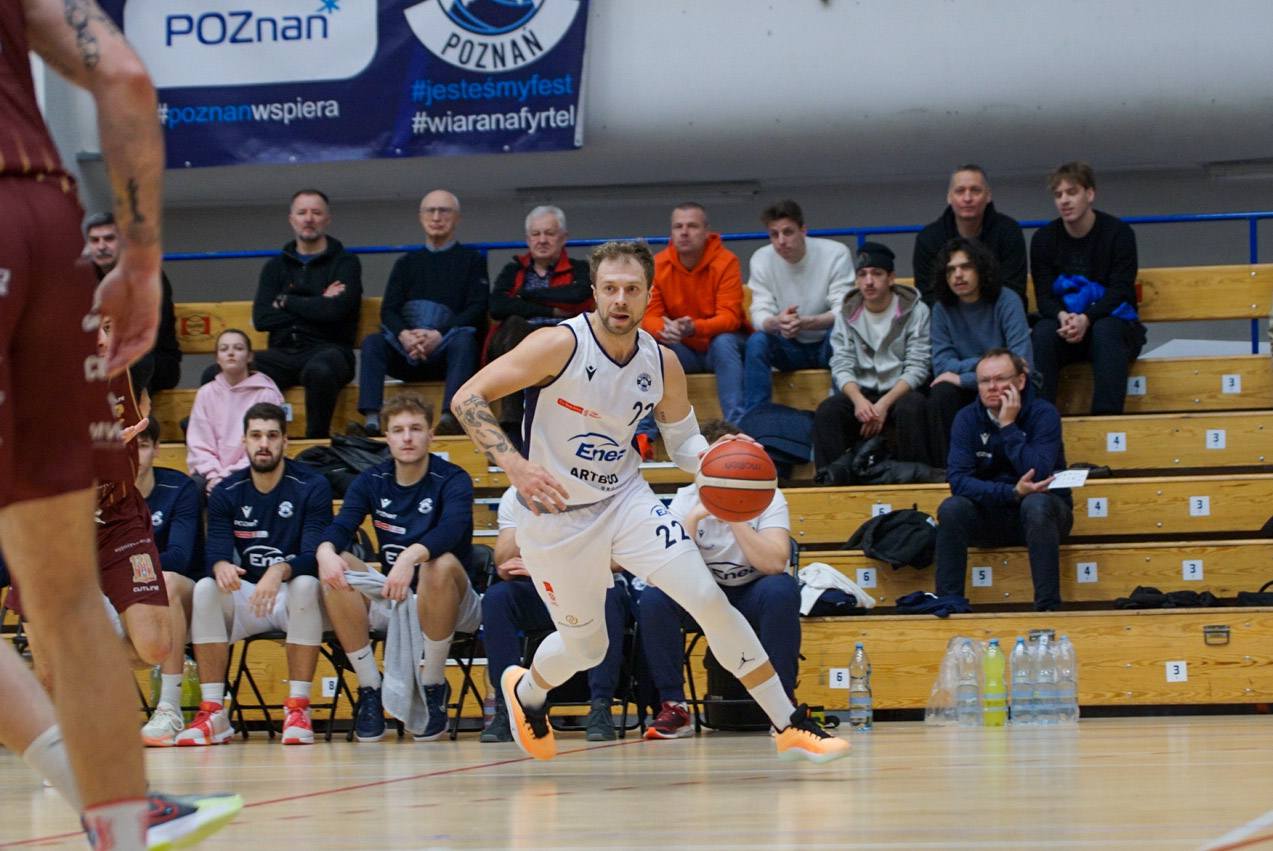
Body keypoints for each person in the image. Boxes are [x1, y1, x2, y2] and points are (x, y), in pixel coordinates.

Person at [451, 240, 848, 763]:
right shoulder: (557, 345)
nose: (620, 299)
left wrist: (719, 460)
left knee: (707, 599)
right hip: (555, 516)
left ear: (648, 295)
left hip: (625, 501)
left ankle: (788, 723)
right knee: (586, 647)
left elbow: (683, 445)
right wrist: (516, 466)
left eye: (632, 289)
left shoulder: (662, 362)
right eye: (610, 288)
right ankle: (526, 693)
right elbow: (467, 398)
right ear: (594, 292)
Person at [0, 0, 240, 845]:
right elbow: (128, 79)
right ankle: (123, 817)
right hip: (43, 224)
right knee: (66, 597)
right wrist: (140, 257)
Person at [317, 394, 481, 742]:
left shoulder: (453, 478)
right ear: (387, 438)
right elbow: (342, 525)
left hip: (454, 601)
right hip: (397, 595)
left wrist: (409, 558)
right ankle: (370, 689)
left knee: (438, 563)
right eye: (398, 430)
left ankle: (433, 684)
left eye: (416, 429)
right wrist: (325, 551)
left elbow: (452, 529)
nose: (407, 438)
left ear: (430, 435)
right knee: (336, 565)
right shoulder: (371, 480)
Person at [175, 403, 333, 746]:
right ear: (244, 442)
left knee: (306, 584)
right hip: (250, 598)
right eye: (256, 436)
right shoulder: (227, 491)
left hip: (295, 599)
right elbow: (215, 552)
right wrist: (221, 566)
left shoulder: (312, 485)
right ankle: (214, 712)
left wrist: (278, 570)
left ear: (285, 442)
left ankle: (298, 709)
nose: (264, 444)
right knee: (206, 588)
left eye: (272, 436)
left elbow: (313, 556)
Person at [639, 420, 800, 740]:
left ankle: (783, 708)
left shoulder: (769, 496)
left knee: (781, 589)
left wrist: (734, 513)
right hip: (704, 596)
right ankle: (674, 706)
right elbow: (664, 569)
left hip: (752, 593)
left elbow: (774, 563)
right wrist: (695, 517)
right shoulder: (685, 499)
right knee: (654, 599)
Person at [481, 486, 633, 743]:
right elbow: (504, 565)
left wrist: (546, 566)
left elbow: (619, 560)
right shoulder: (516, 495)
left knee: (609, 596)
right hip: (542, 590)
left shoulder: (594, 488)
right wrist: (529, 511)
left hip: (588, 585)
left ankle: (601, 706)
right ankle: (508, 709)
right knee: (497, 599)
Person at [934, 349, 1073, 612]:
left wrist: (1008, 426)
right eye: (984, 381)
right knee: (952, 508)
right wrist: (1012, 492)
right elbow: (959, 482)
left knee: (1036, 503)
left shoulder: (1043, 414)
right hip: (991, 513)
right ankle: (948, 605)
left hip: (1046, 516)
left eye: (1000, 379)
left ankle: (1048, 609)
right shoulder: (966, 418)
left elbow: (1038, 472)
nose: (992, 387)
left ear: (1020, 381)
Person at [357, 189, 488, 437]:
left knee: (464, 341)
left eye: (444, 211)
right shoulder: (406, 263)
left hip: (447, 355)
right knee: (373, 342)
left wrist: (439, 335)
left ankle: (450, 417)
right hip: (407, 353)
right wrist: (405, 336)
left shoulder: (472, 260)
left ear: (457, 218)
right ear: (421, 217)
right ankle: (372, 420)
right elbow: (389, 310)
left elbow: (477, 309)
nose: (436, 217)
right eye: (431, 210)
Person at [1030, 162, 1146, 415]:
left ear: (1090, 194)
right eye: (1058, 195)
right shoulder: (1043, 239)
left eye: (1072, 192)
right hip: (1066, 327)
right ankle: (1040, 421)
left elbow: (1120, 291)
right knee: (1043, 333)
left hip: (1112, 326)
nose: (1064, 200)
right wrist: (1063, 316)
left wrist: (1087, 318)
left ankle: (1105, 422)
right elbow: (1044, 297)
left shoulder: (1119, 233)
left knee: (1106, 330)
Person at [247, 188, 362, 438]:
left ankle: (315, 443)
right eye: (302, 213)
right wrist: (319, 301)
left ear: (327, 219)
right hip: (282, 353)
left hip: (329, 351)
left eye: (316, 212)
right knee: (227, 370)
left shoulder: (346, 263)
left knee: (319, 371)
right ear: (292, 219)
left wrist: (286, 301)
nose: (309, 219)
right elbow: (262, 319)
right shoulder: (274, 267)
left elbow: (337, 312)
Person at [635, 202, 746, 459]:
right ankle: (643, 438)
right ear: (671, 232)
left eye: (692, 226)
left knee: (725, 342)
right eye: (678, 226)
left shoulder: (726, 261)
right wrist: (666, 329)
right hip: (683, 350)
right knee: (654, 346)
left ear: (706, 231)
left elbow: (730, 317)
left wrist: (693, 327)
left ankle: (736, 431)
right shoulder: (658, 264)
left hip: (717, 347)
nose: (684, 232)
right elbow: (648, 315)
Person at [811, 242, 932, 474]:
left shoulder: (916, 311)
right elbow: (841, 363)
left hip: (900, 391)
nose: (868, 281)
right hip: (862, 393)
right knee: (828, 411)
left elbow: (918, 365)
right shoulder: (847, 312)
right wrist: (858, 400)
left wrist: (883, 405)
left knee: (913, 408)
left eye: (877, 274)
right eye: (862, 275)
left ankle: (916, 481)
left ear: (891, 278)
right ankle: (831, 481)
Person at [487, 205, 593, 441]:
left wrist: (525, 295)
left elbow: (578, 294)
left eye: (550, 233)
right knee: (514, 324)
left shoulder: (580, 269)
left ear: (563, 237)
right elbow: (497, 306)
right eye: (536, 234)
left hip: (563, 339)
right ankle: (513, 422)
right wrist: (550, 308)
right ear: (528, 239)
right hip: (520, 342)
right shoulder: (513, 270)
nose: (542, 240)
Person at [926, 237, 1033, 466]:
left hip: (1005, 384)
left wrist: (964, 377)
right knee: (941, 392)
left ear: (981, 270)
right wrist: (988, 369)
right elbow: (942, 365)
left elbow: (1022, 363)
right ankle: (948, 469)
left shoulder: (1007, 300)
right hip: (970, 388)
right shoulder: (941, 309)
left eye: (966, 267)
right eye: (951, 270)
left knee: (1017, 384)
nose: (958, 275)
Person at [743, 200, 854, 414]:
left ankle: (840, 411)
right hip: (788, 345)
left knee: (842, 330)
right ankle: (756, 417)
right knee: (757, 341)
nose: (781, 241)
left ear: (803, 230)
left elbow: (844, 310)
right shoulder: (761, 258)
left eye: (788, 232)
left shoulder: (835, 253)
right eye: (774, 234)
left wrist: (807, 323)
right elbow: (759, 313)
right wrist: (777, 322)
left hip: (827, 342)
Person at [135, 417, 205, 746]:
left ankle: (169, 707)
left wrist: (123, 569)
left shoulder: (180, 488)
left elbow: (178, 556)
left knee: (166, 581)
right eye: (126, 447)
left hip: (189, 594)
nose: (134, 454)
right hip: (129, 594)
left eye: (142, 446)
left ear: (156, 449)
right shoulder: (103, 495)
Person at [84, 211, 182, 395]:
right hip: (104, 353)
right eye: (95, 240)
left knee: (134, 361)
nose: (101, 246)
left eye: (109, 239)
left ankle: (125, 412)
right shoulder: (83, 277)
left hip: (154, 358)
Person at [186, 328, 285, 495]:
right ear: (217, 358)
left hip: (253, 470)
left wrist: (226, 477)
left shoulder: (266, 393)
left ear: (249, 356)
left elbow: (266, 443)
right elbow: (199, 444)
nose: (231, 353)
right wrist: (213, 476)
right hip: (211, 476)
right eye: (224, 349)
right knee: (192, 488)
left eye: (238, 348)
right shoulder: (205, 393)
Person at [911, 165, 1028, 307]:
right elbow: (927, 295)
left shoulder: (1009, 231)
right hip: (948, 316)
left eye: (975, 190)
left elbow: (1014, 289)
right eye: (960, 191)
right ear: (949, 197)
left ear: (988, 196)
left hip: (1000, 315)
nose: (967, 198)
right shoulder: (928, 238)